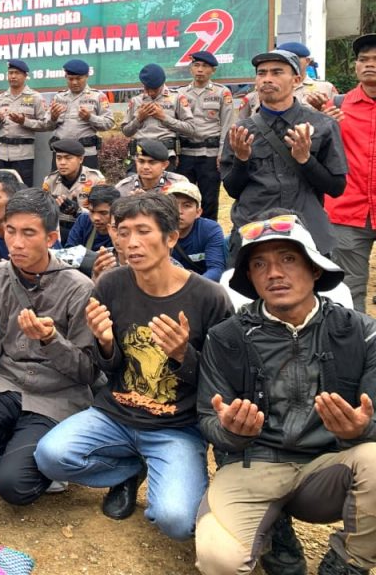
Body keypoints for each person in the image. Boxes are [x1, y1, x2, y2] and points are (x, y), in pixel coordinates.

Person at [35, 192, 232, 540]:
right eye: (123, 232)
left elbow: (222, 382)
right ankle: (130, 469)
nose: (131, 244)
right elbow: (107, 370)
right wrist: (106, 343)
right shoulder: (111, 284)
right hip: (115, 414)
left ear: (171, 237)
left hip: (176, 425)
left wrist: (182, 355)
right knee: (50, 456)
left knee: (176, 521)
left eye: (144, 231)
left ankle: (165, 469)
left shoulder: (209, 298)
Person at [194, 213, 376, 575]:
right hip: (253, 464)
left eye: (288, 259)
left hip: (327, 468)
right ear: (250, 277)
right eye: (259, 264)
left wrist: (359, 431)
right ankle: (275, 529)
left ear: (316, 269)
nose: (274, 273)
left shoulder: (360, 331)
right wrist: (231, 432)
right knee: (219, 560)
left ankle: (346, 563)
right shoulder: (226, 337)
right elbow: (207, 418)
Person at [0, 188, 97, 505]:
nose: (16, 243)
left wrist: (50, 340)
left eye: (28, 233)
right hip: (9, 383)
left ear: (51, 237)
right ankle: (21, 446)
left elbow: (86, 371)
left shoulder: (79, 288)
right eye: (10, 231)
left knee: (13, 487)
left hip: (57, 394)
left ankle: (36, 455)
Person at [221, 48, 347, 257]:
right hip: (253, 230)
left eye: (277, 72)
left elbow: (336, 188)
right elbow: (233, 189)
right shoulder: (241, 131)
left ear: (296, 80)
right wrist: (242, 160)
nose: (267, 79)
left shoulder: (322, 126)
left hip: (307, 233)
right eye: (262, 73)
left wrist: (306, 160)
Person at [327, 33, 376, 313]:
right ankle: (359, 348)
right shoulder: (336, 106)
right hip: (347, 212)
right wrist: (325, 126)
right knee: (349, 289)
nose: (369, 64)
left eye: (375, 60)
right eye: (363, 59)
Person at [175, 51, 234, 221]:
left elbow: (227, 126)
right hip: (185, 154)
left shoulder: (222, 93)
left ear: (212, 70)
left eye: (205, 66)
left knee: (209, 201)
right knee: (183, 199)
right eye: (196, 65)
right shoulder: (180, 94)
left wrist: (223, 153)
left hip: (210, 155)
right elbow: (175, 125)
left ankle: (208, 237)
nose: (200, 70)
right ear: (191, 68)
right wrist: (176, 153)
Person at [120, 63, 196, 167]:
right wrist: (139, 119)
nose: (151, 93)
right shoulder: (136, 101)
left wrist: (164, 117)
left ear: (162, 83)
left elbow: (190, 129)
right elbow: (126, 132)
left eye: (155, 89)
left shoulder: (176, 98)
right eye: (147, 89)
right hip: (141, 156)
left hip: (165, 155)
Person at [0, 58, 50, 187]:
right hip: (1, 154)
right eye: (10, 73)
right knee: (0, 189)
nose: (13, 76)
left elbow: (46, 124)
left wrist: (24, 121)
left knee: (22, 191)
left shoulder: (35, 97)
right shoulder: (0, 98)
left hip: (23, 155)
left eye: (17, 73)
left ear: (25, 76)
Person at [45, 58, 115, 169]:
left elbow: (109, 123)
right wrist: (53, 118)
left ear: (87, 76)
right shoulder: (58, 97)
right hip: (61, 154)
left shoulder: (97, 96)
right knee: (58, 185)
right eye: (71, 79)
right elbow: (46, 125)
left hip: (85, 153)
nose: (74, 82)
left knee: (87, 185)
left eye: (79, 78)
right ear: (66, 77)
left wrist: (90, 117)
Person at [239, 41, 340, 118]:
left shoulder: (325, 88)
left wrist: (324, 116)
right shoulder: (262, 90)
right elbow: (243, 123)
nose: (289, 62)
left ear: (307, 61)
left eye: (294, 58)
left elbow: (339, 121)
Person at [41, 138, 106, 243]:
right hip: (59, 230)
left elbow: (103, 213)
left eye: (68, 158)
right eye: (59, 158)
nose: (62, 163)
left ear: (80, 159)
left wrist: (78, 211)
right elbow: (43, 211)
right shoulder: (50, 180)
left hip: (85, 229)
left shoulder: (95, 179)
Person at [164, 181, 225, 282]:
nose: (179, 211)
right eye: (173, 204)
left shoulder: (210, 230)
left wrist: (191, 286)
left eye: (187, 205)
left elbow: (216, 269)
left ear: (198, 212)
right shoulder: (158, 230)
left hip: (201, 288)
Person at [65, 184, 120, 278]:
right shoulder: (84, 220)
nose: (95, 218)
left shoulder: (123, 228)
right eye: (92, 211)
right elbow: (68, 255)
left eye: (103, 213)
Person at [115, 139, 189, 196]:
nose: (145, 167)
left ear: (165, 165)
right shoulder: (123, 188)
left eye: (152, 162)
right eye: (141, 161)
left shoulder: (178, 184)